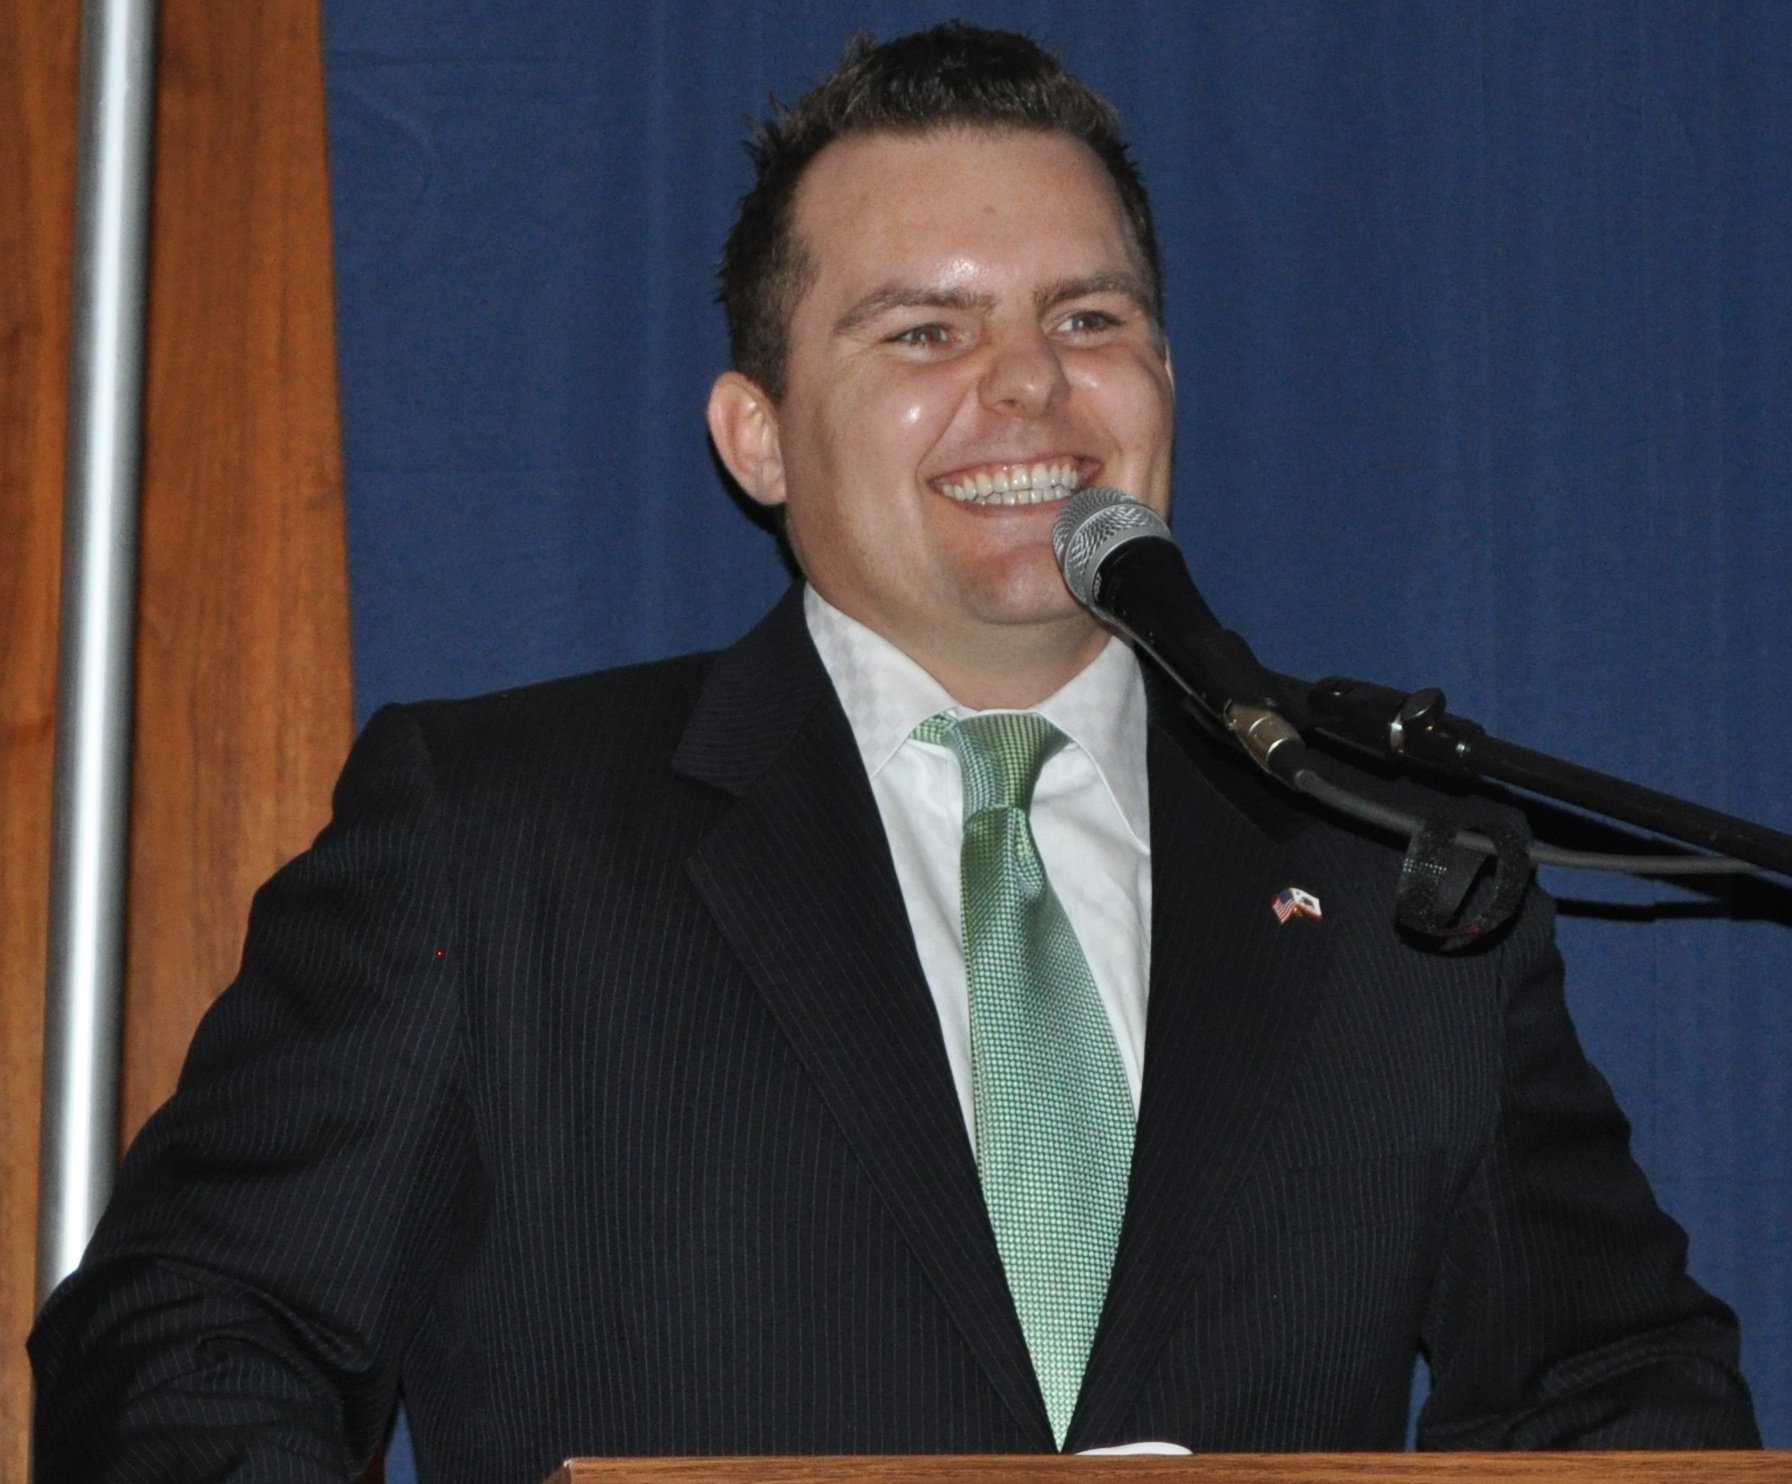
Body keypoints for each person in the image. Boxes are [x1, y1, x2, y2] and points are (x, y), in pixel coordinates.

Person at [30, 22, 1759, 1482]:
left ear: (1166, 379)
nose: (1029, 388)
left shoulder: (1389, 854)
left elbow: (1615, 1388)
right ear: (758, 437)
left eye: (1089, 319)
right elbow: (192, 1338)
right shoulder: (495, 833)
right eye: (926, 331)